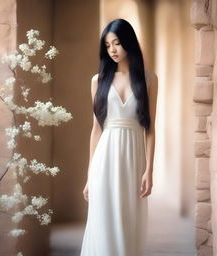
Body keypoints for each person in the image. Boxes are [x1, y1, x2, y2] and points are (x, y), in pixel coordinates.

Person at [80, 18, 158, 256]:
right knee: (103, 221)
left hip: (133, 161)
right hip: (105, 159)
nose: (112, 50)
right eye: (107, 45)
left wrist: (149, 170)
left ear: (129, 43)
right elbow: (96, 129)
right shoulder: (98, 81)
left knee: (128, 221)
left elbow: (150, 128)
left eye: (117, 43)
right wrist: (89, 174)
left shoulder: (149, 79)